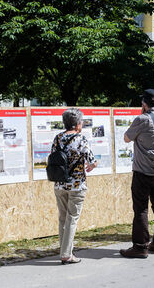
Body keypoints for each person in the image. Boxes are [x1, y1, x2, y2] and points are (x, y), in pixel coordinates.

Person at [120, 89, 154, 258]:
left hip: (143, 171)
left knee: (141, 208)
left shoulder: (142, 119)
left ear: (145, 104)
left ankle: (140, 246)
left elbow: (127, 138)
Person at [51, 108, 98, 264]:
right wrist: (94, 164)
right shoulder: (81, 139)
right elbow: (91, 160)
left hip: (59, 184)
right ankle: (66, 254)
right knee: (72, 219)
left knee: (62, 218)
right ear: (77, 124)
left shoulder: (57, 138)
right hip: (76, 185)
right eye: (81, 121)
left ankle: (64, 250)